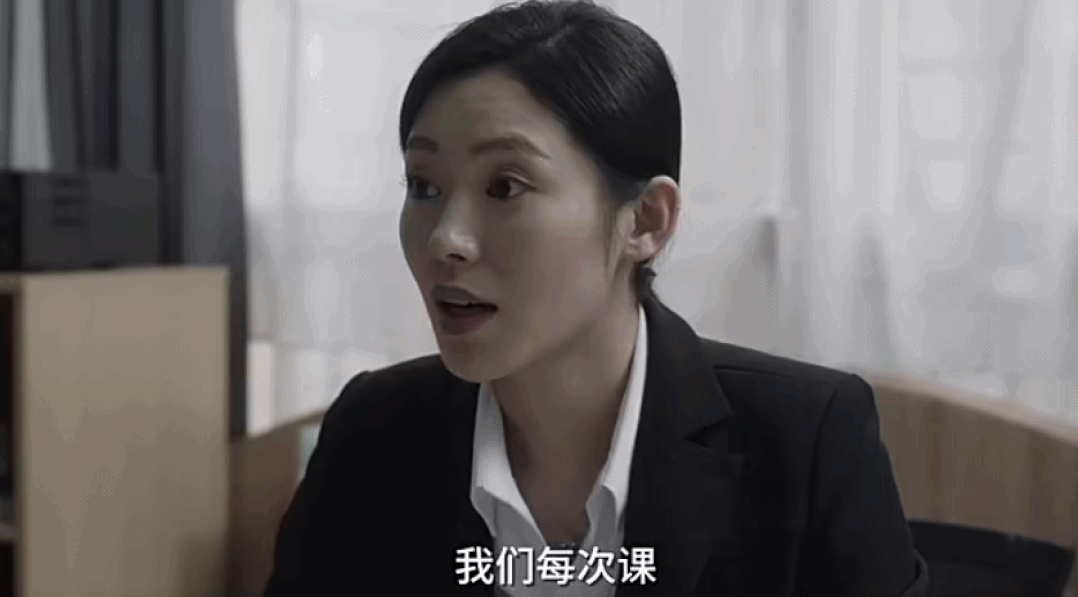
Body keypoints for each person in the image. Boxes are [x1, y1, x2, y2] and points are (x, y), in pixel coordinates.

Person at [262, 1, 928, 595]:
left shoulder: (806, 443)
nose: (445, 240)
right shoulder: (372, 436)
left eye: (505, 187)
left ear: (645, 221)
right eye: (424, 186)